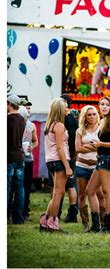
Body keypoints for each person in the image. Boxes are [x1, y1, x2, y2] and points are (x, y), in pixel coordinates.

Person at [86, 96, 110, 233]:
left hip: (109, 158)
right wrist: (93, 146)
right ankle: (96, 225)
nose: (104, 107)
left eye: (107, 104)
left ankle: (108, 226)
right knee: (90, 190)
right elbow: (101, 143)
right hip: (101, 158)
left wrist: (100, 144)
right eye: (102, 104)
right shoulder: (102, 121)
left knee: (107, 192)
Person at [39, 98, 74, 231]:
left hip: (51, 161)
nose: (68, 109)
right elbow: (60, 148)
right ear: (60, 109)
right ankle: (53, 224)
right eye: (65, 107)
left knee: (55, 193)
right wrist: (67, 166)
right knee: (59, 194)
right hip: (60, 161)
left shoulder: (50, 124)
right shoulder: (59, 125)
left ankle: (45, 221)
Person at [75, 105, 106, 231]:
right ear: (84, 117)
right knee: (82, 195)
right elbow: (77, 148)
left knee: (100, 195)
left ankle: (102, 222)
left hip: (96, 166)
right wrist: (94, 146)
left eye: (94, 114)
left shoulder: (102, 129)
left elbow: (104, 147)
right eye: (89, 115)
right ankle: (85, 223)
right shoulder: (80, 131)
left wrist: (86, 145)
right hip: (81, 165)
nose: (92, 116)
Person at [59, 94, 79, 223]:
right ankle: (73, 213)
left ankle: (56, 211)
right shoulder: (74, 118)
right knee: (72, 184)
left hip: (62, 155)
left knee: (58, 185)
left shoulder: (62, 118)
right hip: (72, 154)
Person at [7, 94, 26, 225]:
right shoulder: (22, 119)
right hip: (20, 156)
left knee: (7, 188)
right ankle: (18, 218)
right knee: (19, 188)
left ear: (9, 104)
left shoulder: (8, 120)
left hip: (9, 157)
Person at [22, 101, 38, 221]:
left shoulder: (31, 125)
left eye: (29, 109)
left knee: (27, 186)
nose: (28, 111)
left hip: (28, 159)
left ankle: (25, 212)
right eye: (26, 108)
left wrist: (32, 147)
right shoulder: (13, 121)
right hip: (16, 158)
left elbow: (35, 141)